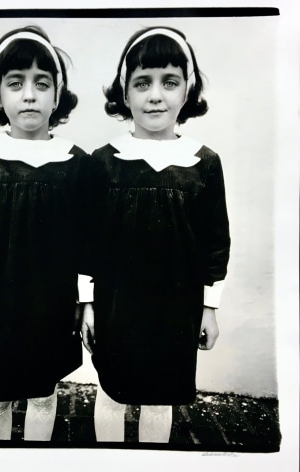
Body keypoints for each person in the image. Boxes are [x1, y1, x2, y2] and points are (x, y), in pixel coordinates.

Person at [81, 26, 231, 443]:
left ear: (188, 91)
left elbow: (215, 243)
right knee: (112, 393)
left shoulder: (203, 164)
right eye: (142, 82)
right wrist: (87, 305)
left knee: (159, 397)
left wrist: (209, 307)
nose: (155, 95)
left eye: (170, 82)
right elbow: (86, 242)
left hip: (176, 306)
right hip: (116, 305)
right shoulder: (105, 162)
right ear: (124, 93)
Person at [0, 25, 90, 441]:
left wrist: (86, 303)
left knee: (43, 393)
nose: (29, 94)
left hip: (50, 303)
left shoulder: (74, 161)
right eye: (16, 83)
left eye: (41, 83)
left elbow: (86, 242)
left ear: (56, 95)